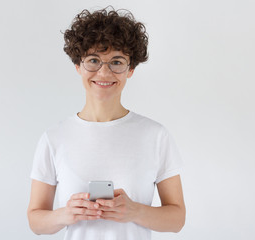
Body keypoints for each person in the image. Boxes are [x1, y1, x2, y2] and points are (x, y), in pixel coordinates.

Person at [27, 6, 186, 240]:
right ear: (78, 66)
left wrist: (135, 211)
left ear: (130, 69)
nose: (104, 72)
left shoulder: (155, 136)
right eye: (93, 60)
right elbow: (35, 221)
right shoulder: (54, 138)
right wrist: (65, 214)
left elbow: (177, 219)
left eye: (117, 62)